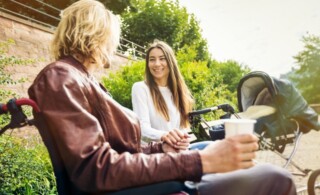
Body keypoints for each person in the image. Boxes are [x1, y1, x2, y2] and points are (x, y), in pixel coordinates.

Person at [28, 0, 297, 194]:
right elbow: (95, 170)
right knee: (274, 177)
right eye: (113, 38)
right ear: (97, 35)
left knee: (206, 150)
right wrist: (198, 162)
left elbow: (115, 152)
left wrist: (161, 148)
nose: (115, 45)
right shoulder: (61, 79)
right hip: (120, 188)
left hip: (131, 179)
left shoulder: (79, 78)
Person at [131, 40, 193, 149]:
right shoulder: (140, 88)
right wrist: (164, 136)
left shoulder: (179, 91)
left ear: (170, 62)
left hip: (177, 152)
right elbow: (142, 128)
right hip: (154, 156)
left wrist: (184, 140)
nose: (157, 64)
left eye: (162, 58)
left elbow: (183, 128)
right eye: (152, 59)